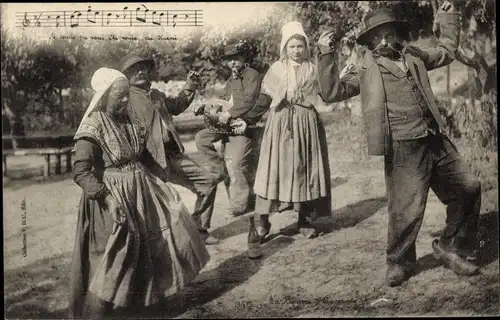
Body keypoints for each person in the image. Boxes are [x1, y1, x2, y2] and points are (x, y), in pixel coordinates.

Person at [316, 1, 481, 287]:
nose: (385, 40)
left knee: (468, 187)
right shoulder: (365, 68)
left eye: (390, 34)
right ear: (369, 41)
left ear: (397, 35)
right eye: (378, 36)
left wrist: (447, 16)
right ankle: (399, 262)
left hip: (434, 139)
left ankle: (452, 247)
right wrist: (326, 54)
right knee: (406, 209)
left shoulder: (413, 54)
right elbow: (332, 92)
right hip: (403, 146)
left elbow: (446, 51)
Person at [68, 68, 210, 319]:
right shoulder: (92, 126)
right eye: (119, 95)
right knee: (114, 255)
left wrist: (162, 181)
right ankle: (98, 313)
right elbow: (81, 171)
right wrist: (107, 198)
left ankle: (140, 304)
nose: (124, 100)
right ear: (103, 96)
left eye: (126, 96)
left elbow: (142, 156)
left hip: (139, 191)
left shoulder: (130, 121)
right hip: (109, 197)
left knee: (151, 244)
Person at [232, 21, 332, 241]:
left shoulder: (313, 69)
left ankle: (304, 219)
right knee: (272, 171)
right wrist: (248, 120)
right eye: (291, 46)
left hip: (306, 126)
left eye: (300, 46)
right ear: (284, 48)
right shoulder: (276, 69)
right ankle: (261, 221)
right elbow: (264, 99)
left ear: (306, 47)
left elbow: (328, 90)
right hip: (280, 126)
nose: (296, 51)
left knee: (304, 170)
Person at [120, 53, 225, 245]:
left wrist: (190, 85)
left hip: (172, 155)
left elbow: (176, 106)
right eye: (135, 70)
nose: (141, 72)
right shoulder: (126, 101)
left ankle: (200, 230)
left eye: (143, 68)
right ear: (127, 76)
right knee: (155, 206)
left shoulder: (156, 95)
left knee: (208, 182)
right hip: (150, 162)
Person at [194, 39, 262, 216]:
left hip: (242, 125)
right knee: (202, 138)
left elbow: (250, 100)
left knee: (237, 164)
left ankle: (239, 205)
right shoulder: (231, 79)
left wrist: (230, 113)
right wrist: (207, 107)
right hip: (226, 125)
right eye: (229, 59)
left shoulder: (252, 75)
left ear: (243, 57)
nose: (232, 62)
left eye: (236, 58)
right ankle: (217, 169)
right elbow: (223, 100)